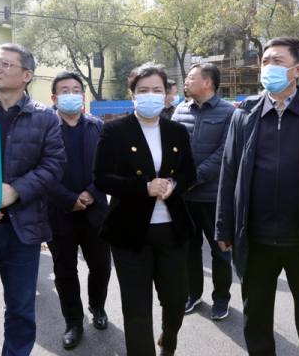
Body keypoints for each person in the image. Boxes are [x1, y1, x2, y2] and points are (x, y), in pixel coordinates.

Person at [216, 37, 299, 355]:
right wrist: (224, 226)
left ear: (297, 70)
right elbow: (229, 174)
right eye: (265, 61)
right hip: (256, 238)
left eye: (277, 61)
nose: (268, 67)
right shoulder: (244, 114)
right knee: (256, 317)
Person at [0, 43, 66, 356]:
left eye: (6, 64)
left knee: (21, 310)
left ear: (27, 75)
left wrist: (16, 191)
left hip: (23, 230)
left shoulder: (45, 117)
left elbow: (54, 164)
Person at [93, 62, 196, 356]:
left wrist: (173, 184)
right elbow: (101, 179)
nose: (150, 95)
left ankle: (168, 342)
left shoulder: (177, 130)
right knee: (137, 308)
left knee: (176, 299)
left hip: (173, 230)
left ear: (167, 94)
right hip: (130, 232)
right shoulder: (114, 130)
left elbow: (190, 172)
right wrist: (144, 187)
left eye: (157, 89)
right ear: (132, 94)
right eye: (143, 90)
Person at [47, 71, 111, 349]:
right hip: (59, 212)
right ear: (54, 97)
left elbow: (110, 167)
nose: (71, 95)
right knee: (65, 271)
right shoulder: (44, 127)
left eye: (76, 90)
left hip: (95, 212)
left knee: (101, 267)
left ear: (83, 96)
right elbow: (39, 171)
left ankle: (97, 306)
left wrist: (91, 193)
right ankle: (73, 322)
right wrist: (68, 198)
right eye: (65, 90)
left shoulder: (98, 127)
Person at [173, 62, 236, 319]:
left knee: (220, 250)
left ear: (207, 83)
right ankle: (193, 293)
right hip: (185, 197)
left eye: (191, 77)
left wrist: (194, 177)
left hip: (214, 197)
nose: (186, 82)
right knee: (189, 248)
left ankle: (221, 299)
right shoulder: (180, 110)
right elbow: (172, 148)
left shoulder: (229, 113)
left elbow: (225, 153)